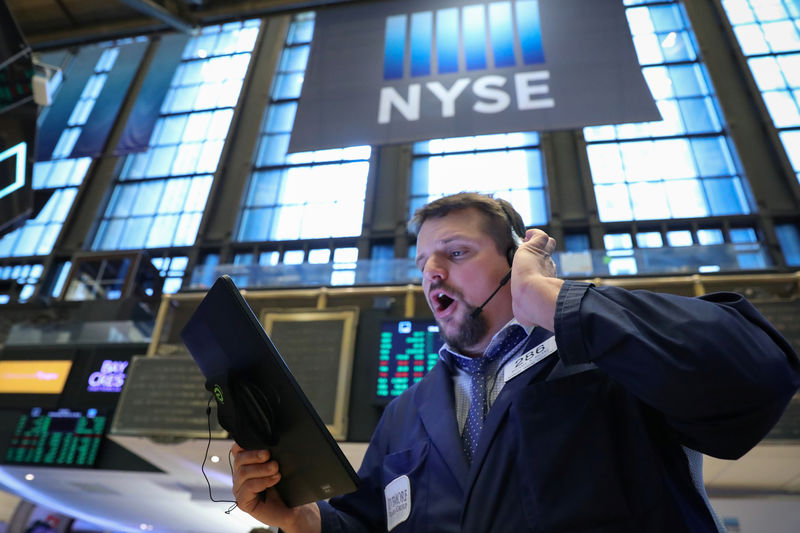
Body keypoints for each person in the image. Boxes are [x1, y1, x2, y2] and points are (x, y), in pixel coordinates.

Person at [232, 192, 800, 532]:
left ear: (518, 258)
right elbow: (365, 524)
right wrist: (303, 521)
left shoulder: (604, 356)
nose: (432, 272)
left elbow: (754, 375)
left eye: (456, 253)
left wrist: (554, 301)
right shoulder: (406, 412)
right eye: (425, 261)